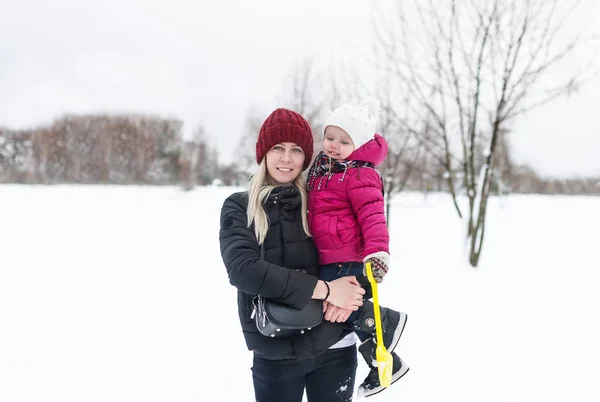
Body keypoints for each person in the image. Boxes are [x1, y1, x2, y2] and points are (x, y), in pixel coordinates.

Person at [219, 107, 367, 402]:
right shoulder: (240, 206)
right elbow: (243, 269)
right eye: (278, 148)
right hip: (276, 352)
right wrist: (325, 291)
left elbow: (363, 255)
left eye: (296, 150)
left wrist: (352, 294)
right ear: (263, 153)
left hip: (335, 346)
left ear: (306, 157)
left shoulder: (325, 200)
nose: (286, 158)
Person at [306, 98, 409, 398]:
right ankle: (388, 361)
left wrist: (378, 252)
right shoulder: (325, 169)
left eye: (344, 141)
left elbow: (374, 217)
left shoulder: (360, 174)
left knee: (340, 310)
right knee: (341, 313)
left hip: (348, 257)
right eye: (329, 137)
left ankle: (387, 322)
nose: (334, 145)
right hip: (330, 255)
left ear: (359, 144)